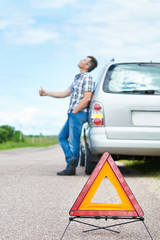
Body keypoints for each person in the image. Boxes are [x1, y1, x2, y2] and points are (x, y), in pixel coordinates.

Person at [39, 56, 98, 175]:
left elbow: (87, 98)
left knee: (73, 140)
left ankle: (71, 167)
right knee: (61, 137)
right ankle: (71, 160)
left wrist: (75, 110)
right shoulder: (77, 79)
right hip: (73, 113)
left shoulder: (88, 78)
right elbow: (63, 94)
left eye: (84, 60)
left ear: (87, 66)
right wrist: (46, 93)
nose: (81, 60)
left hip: (78, 113)